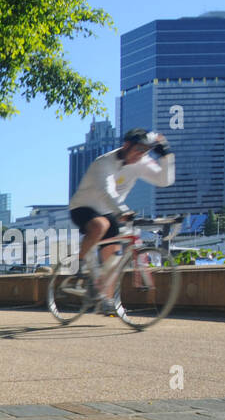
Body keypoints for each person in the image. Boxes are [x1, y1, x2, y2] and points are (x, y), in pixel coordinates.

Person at [68, 128, 174, 311]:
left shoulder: (141, 162)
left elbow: (164, 181)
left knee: (113, 258)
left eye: (146, 151)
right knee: (101, 224)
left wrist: (166, 156)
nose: (140, 155)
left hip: (111, 210)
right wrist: (124, 211)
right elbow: (107, 191)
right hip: (83, 207)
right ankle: (80, 263)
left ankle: (106, 300)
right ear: (126, 145)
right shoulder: (104, 163)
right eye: (138, 149)